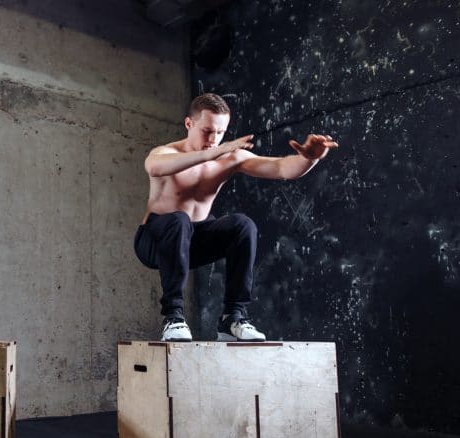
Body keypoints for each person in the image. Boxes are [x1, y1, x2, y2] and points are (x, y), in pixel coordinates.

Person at [134, 93, 338, 342]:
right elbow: (153, 167)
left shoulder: (229, 157)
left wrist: (310, 158)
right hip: (155, 241)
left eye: (220, 132)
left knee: (243, 225)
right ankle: (173, 317)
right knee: (179, 220)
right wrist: (213, 153)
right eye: (207, 131)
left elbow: (282, 168)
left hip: (193, 240)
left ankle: (232, 318)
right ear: (189, 123)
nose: (213, 139)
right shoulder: (166, 152)